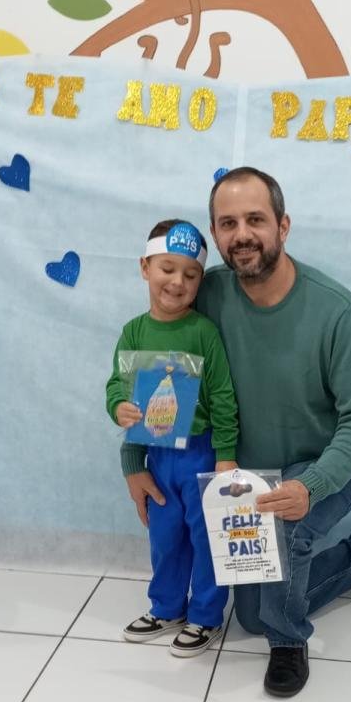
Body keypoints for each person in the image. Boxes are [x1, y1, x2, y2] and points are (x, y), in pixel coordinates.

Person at [124, 172, 351, 696]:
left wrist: (310, 486)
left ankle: (288, 642)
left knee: (282, 544)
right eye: (228, 223)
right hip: (244, 472)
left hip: (325, 467)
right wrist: (134, 460)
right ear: (214, 233)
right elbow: (158, 371)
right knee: (251, 614)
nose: (242, 234)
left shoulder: (337, 311)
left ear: (283, 226)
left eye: (255, 219)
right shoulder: (204, 292)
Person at [106, 218, 238, 656]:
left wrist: (225, 455)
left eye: (191, 274)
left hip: (201, 454)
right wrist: (118, 407)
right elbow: (117, 384)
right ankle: (166, 607)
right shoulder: (133, 332)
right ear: (145, 267)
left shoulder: (204, 332)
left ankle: (206, 616)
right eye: (167, 268)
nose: (178, 282)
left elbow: (223, 396)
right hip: (157, 455)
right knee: (164, 537)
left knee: (206, 538)